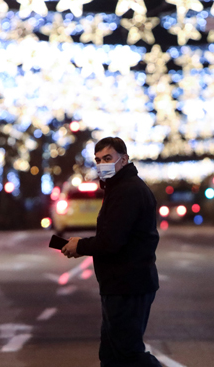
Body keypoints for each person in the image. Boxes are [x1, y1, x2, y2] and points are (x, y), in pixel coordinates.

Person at [62, 137, 162, 367]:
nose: (102, 165)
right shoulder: (119, 188)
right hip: (120, 284)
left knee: (128, 354)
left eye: (108, 158)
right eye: (98, 160)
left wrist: (80, 246)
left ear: (124, 159)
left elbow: (112, 241)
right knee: (111, 356)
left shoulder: (127, 191)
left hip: (128, 285)